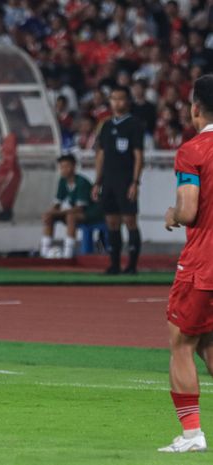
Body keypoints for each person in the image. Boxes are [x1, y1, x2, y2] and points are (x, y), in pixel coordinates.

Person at [160, 75, 213, 453]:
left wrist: (173, 214)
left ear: (196, 108)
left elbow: (190, 210)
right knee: (208, 341)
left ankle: (192, 435)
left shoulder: (193, 150)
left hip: (204, 262)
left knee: (181, 341)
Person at [91, 85, 144, 274]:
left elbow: (138, 155)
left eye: (120, 98)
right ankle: (114, 263)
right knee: (111, 221)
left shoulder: (134, 124)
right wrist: (97, 181)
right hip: (108, 180)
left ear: (127, 101)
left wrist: (135, 182)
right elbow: (101, 155)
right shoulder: (106, 125)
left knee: (130, 220)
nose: (117, 102)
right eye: (113, 98)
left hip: (126, 179)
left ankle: (132, 265)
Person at [41, 154, 102, 258]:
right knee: (49, 216)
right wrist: (50, 213)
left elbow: (80, 208)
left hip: (93, 213)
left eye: (66, 166)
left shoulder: (81, 182)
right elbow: (57, 203)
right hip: (78, 213)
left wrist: (56, 212)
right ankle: (44, 252)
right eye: (61, 167)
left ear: (74, 167)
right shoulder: (62, 181)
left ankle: (68, 254)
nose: (63, 170)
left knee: (71, 217)